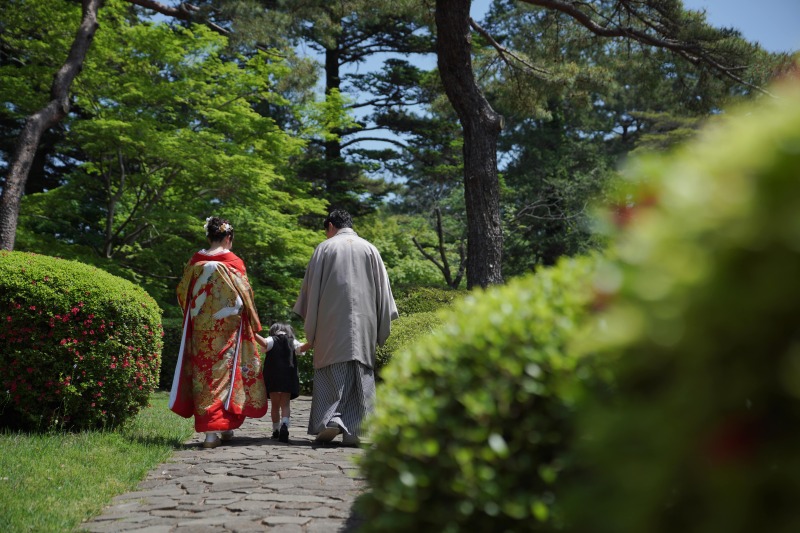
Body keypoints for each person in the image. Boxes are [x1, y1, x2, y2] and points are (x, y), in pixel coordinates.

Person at [293, 209, 398, 446]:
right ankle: (357, 429)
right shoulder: (370, 249)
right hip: (364, 323)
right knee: (361, 373)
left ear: (331, 226)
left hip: (331, 323)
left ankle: (332, 420)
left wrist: (311, 323)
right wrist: (380, 324)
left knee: (332, 370)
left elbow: (310, 291)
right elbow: (384, 292)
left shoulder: (325, 248)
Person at [169, 216, 268, 449]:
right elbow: (245, 296)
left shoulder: (195, 262)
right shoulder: (233, 262)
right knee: (227, 376)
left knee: (204, 376)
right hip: (228, 330)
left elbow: (183, 294)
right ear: (228, 238)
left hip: (201, 329)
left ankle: (217, 431)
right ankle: (216, 431)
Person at [255, 323, 310, 443]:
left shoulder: (271, 339)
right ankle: (284, 425)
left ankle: (276, 430)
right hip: (288, 377)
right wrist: (314, 340)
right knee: (285, 404)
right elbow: (302, 348)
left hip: (273, 376)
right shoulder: (292, 341)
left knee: (275, 405)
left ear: (273, 331)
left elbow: (263, 343)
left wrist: (252, 333)